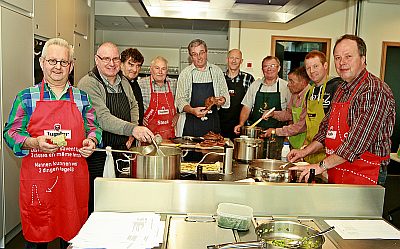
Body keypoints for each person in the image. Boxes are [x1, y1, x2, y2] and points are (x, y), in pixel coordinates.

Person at [3, 38, 102, 249]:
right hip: (39, 184)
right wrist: (33, 142)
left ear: (71, 65)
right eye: (52, 61)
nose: (57, 67)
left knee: (73, 240)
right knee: (38, 239)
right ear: (42, 63)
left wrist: (91, 141)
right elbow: (10, 132)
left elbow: (95, 128)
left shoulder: (82, 98)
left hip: (72, 184)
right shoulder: (26, 97)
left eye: (63, 62)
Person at [289, 34, 396, 185]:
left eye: (348, 56)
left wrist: (320, 166)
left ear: (363, 58)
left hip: (365, 172)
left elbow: (356, 143)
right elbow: (326, 130)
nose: (342, 62)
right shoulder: (341, 89)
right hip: (338, 166)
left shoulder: (374, 90)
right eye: (337, 58)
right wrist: (305, 151)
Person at [77, 42, 153, 213]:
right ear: (97, 60)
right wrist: (133, 130)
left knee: (118, 203)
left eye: (115, 59)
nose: (111, 63)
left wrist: (132, 133)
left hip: (121, 150)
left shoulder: (123, 81)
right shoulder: (89, 84)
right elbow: (102, 118)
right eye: (106, 59)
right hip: (97, 154)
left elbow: (134, 106)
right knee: (97, 204)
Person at [175, 39, 230, 137]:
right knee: (191, 152)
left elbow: (225, 95)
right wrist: (192, 110)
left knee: (212, 152)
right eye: (194, 54)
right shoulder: (185, 74)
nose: (199, 57)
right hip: (191, 124)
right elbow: (180, 101)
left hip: (213, 123)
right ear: (191, 57)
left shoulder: (216, 71)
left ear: (206, 52)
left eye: (201, 53)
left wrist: (223, 100)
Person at [302, 50, 342, 164]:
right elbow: (308, 124)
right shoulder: (309, 92)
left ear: (325, 66)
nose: (312, 71)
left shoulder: (336, 88)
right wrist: (304, 148)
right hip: (311, 152)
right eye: (308, 68)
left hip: (329, 156)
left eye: (315, 66)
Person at [234, 56, 290, 134]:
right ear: (262, 69)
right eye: (266, 66)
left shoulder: (286, 87)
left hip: (276, 133)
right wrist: (241, 124)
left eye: (272, 66)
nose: (269, 69)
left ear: (279, 68)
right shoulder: (255, 85)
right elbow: (247, 107)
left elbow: (290, 113)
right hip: (256, 132)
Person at [262, 66, 310, 149]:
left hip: (307, 144)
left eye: (292, 81)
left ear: (303, 82)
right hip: (295, 142)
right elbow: (289, 114)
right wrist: (272, 114)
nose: (288, 84)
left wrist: (275, 131)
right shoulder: (295, 95)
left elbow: (301, 126)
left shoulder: (310, 96)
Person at [138, 56, 179, 139]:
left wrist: (178, 114)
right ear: (151, 69)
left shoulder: (174, 84)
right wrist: (139, 117)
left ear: (167, 71)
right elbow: (132, 104)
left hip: (169, 135)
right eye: (157, 68)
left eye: (163, 69)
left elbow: (182, 100)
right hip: (148, 135)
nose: (160, 72)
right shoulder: (140, 84)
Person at [219, 49, 255, 140]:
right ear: (227, 59)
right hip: (220, 126)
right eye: (231, 58)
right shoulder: (219, 77)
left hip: (240, 127)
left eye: (237, 58)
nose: (234, 61)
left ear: (241, 61)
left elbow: (252, 103)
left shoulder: (248, 78)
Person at [120, 48, 145, 126]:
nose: (135, 69)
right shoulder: (116, 84)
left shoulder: (134, 83)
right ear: (121, 64)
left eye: (138, 66)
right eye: (131, 65)